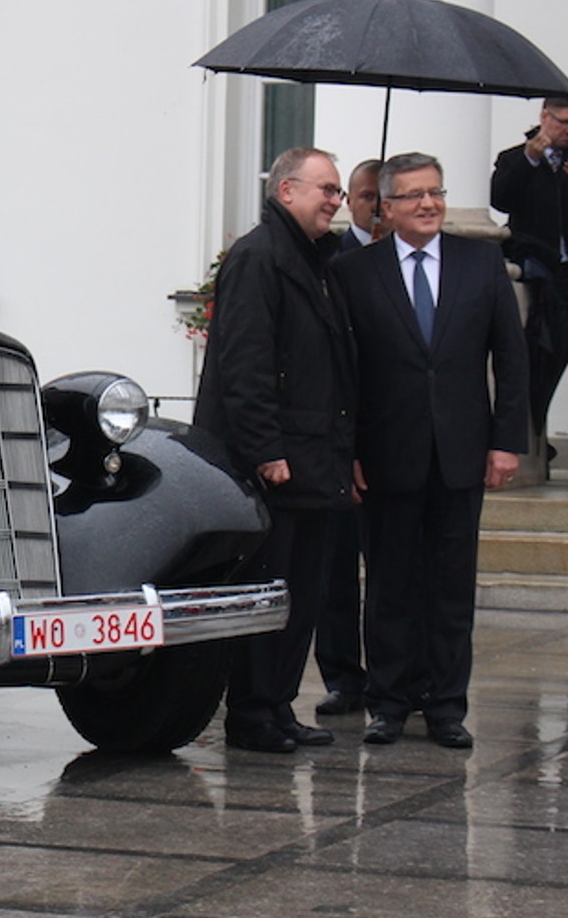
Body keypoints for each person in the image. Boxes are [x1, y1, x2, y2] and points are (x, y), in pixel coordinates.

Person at [333, 153, 528, 749]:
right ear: (385, 207)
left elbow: (512, 358)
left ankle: (446, 706)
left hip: (462, 452)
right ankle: (388, 703)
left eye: (436, 193)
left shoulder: (481, 261)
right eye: (413, 195)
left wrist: (506, 442)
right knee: (389, 585)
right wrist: (349, 453)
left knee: (450, 587)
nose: (428, 204)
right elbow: (344, 373)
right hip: (386, 455)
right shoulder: (354, 273)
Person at [194, 147, 354, 753]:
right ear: (287, 191)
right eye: (327, 189)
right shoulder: (259, 258)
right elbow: (246, 363)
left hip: (315, 457)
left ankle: (279, 704)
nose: (335, 201)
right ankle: (252, 713)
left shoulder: (317, 261)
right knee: (269, 588)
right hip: (274, 465)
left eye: (339, 191)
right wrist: (265, 450)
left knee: (300, 592)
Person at [490, 97, 568, 483]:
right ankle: (536, 446)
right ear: (544, 117)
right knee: (535, 363)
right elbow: (501, 199)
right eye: (563, 122)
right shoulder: (514, 158)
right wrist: (530, 158)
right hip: (537, 277)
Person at [314, 158, 381, 717]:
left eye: (386, 197)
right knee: (335, 568)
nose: (375, 206)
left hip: (392, 437)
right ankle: (342, 674)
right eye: (365, 197)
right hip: (339, 437)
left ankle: (391, 672)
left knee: (390, 568)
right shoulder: (331, 262)